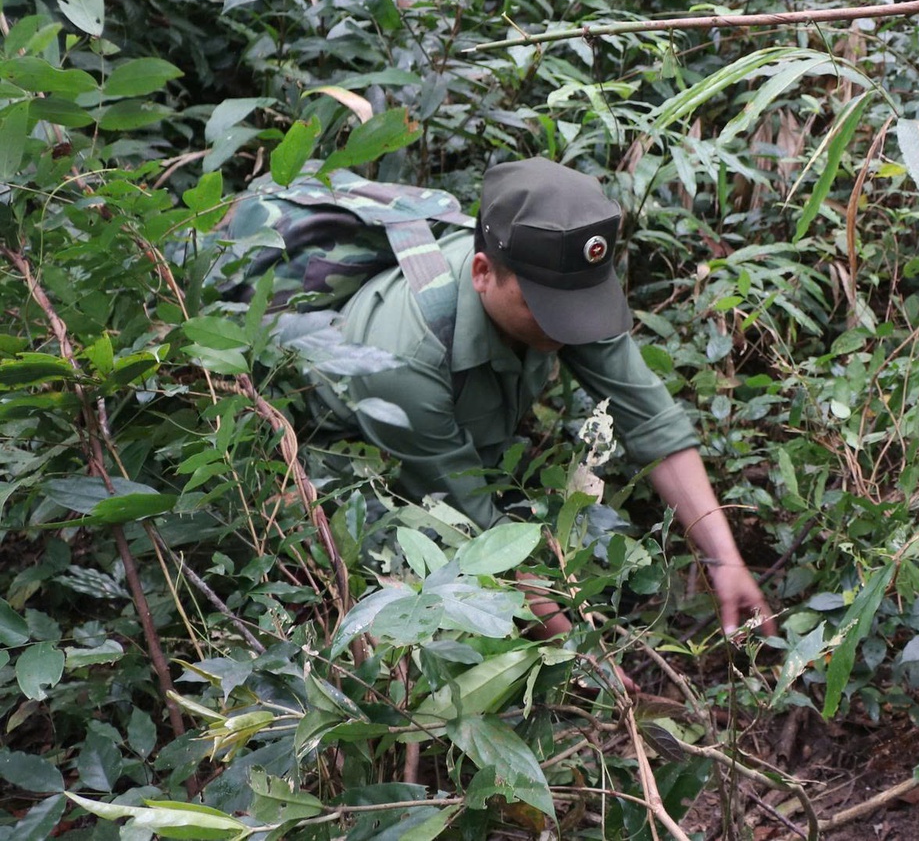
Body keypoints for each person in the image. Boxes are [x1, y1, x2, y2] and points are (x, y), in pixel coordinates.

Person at [306, 156, 776, 637]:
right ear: (483, 273)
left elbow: (651, 419)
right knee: (426, 602)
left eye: (582, 304)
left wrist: (726, 560)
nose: (569, 325)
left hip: (462, 437)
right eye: (545, 308)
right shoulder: (403, 359)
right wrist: (577, 655)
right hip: (350, 450)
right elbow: (476, 532)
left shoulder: (563, 283)